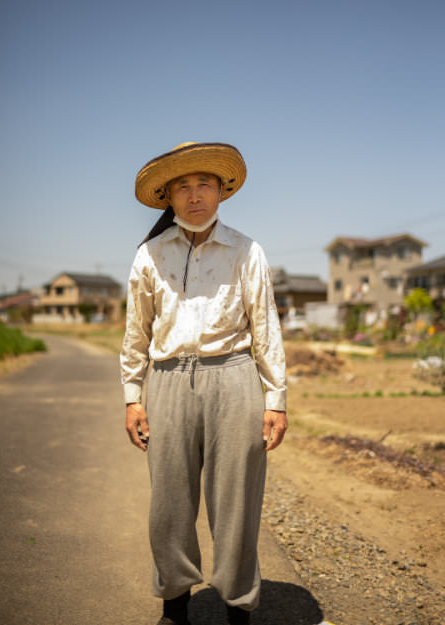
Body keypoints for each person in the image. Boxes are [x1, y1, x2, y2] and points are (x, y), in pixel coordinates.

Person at [120, 142, 287, 625]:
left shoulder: (246, 250)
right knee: (169, 503)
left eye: (204, 185)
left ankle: (238, 607)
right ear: (168, 197)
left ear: (221, 193)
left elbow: (266, 328)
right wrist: (133, 396)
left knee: (235, 502)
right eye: (183, 187)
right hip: (169, 381)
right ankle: (175, 605)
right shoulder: (149, 256)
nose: (195, 196)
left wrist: (274, 399)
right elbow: (137, 331)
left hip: (234, 378)